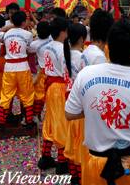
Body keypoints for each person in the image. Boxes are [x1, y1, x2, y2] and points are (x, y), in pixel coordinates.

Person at [65, 19, 130, 185]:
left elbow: (70, 113)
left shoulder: (86, 75)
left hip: (96, 164)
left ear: (108, 47)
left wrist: (93, 110)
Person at [38, 17, 71, 175]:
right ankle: (62, 161)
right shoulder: (62, 49)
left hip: (50, 86)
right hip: (59, 88)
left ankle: (45, 156)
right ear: (63, 32)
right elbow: (67, 72)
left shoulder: (47, 47)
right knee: (61, 123)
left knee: (50, 120)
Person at [0, 11, 34, 127]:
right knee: (27, 94)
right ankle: (29, 121)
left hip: (9, 67)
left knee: (6, 94)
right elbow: (29, 49)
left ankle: (2, 122)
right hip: (23, 66)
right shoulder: (27, 34)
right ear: (24, 22)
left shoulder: (6, 34)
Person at [64, 23, 87, 185]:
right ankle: (81, 175)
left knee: (72, 138)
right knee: (81, 140)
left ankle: (73, 173)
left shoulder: (63, 54)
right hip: (81, 103)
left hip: (69, 98)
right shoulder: (82, 57)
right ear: (81, 39)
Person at [30, 21, 51, 118]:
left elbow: (28, 50)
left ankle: (37, 115)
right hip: (53, 71)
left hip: (42, 72)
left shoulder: (35, 44)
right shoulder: (52, 39)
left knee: (39, 94)